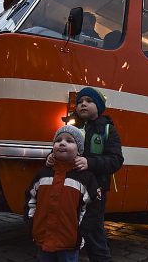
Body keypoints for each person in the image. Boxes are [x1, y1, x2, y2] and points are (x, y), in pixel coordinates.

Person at [47, 87, 124, 262]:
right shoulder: (70, 128)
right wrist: (50, 157)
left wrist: (90, 163)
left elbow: (116, 159)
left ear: (98, 106)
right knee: (67, 226)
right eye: (80, 101)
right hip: (70, 187)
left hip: (95, 190)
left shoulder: (107, 130)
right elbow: (59, 148)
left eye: (89, 101)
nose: (83, 104)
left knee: (93, 230)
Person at [25, 125, 100, 262]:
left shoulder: (86, 178)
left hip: (69, 242)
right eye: (58, 140)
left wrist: (82, 232)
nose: (62, 143)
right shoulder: (43, 174)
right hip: (43, 237)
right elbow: (31, 199)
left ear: (79, 151)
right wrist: (31, 222)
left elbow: (92, 208)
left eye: (69, 141)